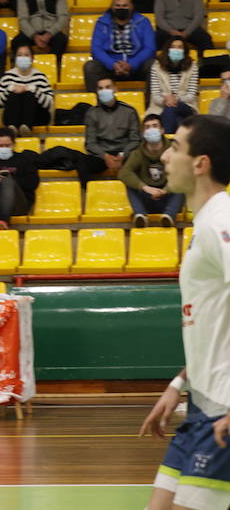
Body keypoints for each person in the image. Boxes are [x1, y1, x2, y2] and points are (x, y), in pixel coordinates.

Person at [137, 115, 230, 510]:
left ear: (200, 163)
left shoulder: (221, 221)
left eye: (175, 146)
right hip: (200, 405)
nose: (167, 155)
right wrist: (178, 386)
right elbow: (213, 326)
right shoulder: (205, 222)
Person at [119, 115, 182, 228]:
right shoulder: (138, 153)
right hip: (147, 196)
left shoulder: (173, 150)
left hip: (168, 196)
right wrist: (145, 188)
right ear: (143, 133)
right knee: (130, 184)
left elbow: (183, 173)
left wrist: (165, 190)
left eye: (155, 126)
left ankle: (169, 216)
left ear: (162, 130)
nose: (151, 129)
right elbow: (123, 173)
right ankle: (140, 215)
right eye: (147, 127)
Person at [86, 0, 157, 90]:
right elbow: (96, 49)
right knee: (90, 67)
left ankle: (150, 103)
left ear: (132, 6)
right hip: (110, 68)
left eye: (124, 6)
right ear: (112, 7)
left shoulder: (143, 22)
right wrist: (113, 64)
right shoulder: (101, 22)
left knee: (153, 64)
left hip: (136, 67)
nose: (121, 8)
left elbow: (150, 48)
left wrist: (131, 64)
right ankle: (96, 103)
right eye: (117, 5)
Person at [78, 77, 142, 185]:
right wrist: (105, 156)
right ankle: (89, 195)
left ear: (115, 89)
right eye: (100, 88)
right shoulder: (92, 113)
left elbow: (135, 140)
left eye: (108, 87)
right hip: (102, 154)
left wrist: (123, 155)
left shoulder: (129, 111)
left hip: (124, 151)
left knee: (141, 160)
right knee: (82, 164)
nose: (104, 91)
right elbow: (90, 143)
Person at [0, 44, 54, 133]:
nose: (23, 58)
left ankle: (26, 127)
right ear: (15, 58)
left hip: (37, 117)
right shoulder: (7, 77)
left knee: (29, 94)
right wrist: (10, 89)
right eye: (20, 55)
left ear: (32, 58)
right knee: (14, 95)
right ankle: (13, 128)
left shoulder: (40, 77)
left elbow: (49, 103)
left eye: (26, 55)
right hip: (11, 117)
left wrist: (32, 89)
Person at [148, 39, 199, 134]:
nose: (176, 50)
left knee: (171, 107)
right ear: (167, 49)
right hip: (161, 107)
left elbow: (191, 96)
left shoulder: (193, 67)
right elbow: (155, 95)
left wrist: (175, 99)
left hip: (186, 106)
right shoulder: (156, 67)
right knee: (178, 120)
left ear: (185, 51)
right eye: (173, 47)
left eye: (180, 47)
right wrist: (165, 100)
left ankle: (167, 139)